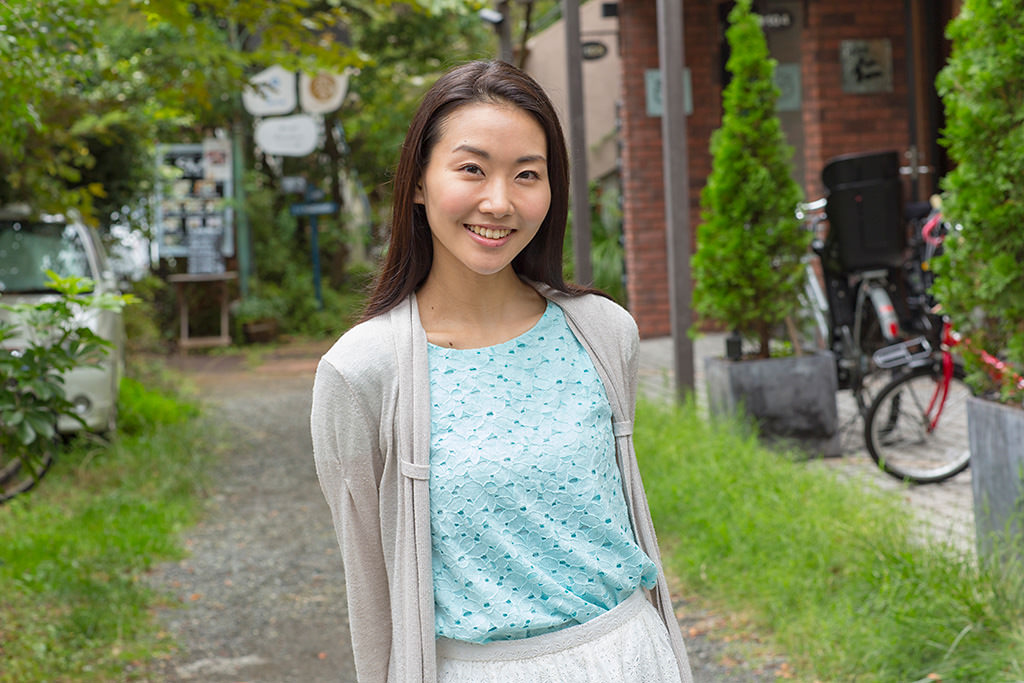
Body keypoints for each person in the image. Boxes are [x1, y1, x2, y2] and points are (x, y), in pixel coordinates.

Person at [310, 59, 693, 683]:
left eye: (527, 175)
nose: (499, 201)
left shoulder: (602, 332)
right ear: (417, 183)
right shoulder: (362, 372)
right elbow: (371, 591)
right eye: (471, 169)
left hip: (630, 656)